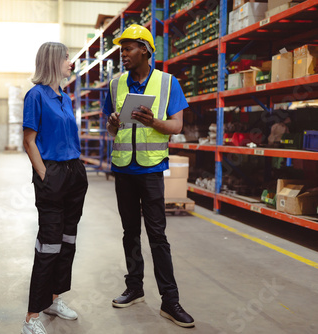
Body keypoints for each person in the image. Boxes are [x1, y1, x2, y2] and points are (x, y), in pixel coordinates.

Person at [103, 24, 195, 328]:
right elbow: (110, 129)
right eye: (121, 49)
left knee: (157, 236)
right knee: (130, 232)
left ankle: (170, 301)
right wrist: (114, 122)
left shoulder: (168, 83)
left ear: (145, 50)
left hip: (151, 169)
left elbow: (177, 126)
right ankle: (135, 288)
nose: (123, 54)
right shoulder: (116, 84)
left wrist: (154, 121)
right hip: (123, 169)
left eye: (128, 49)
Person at [21, 42, 89, 334]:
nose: (70, 63)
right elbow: (29, 140)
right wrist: (44, 174)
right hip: (53, 173)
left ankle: (53, 299)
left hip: (74, 173)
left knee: (67, 241)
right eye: (66, 58)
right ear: (53, 61)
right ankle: (31, 317)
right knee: (48, 244)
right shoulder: (35, 96)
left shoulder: (65, 97)